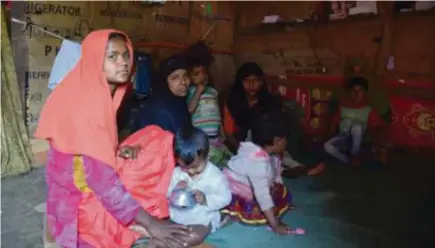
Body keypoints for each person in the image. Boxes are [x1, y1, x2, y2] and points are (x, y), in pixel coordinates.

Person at [35, 30, 191, 248]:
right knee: (147, 176)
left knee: (155, 137)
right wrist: (151, 222)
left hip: (88, 180)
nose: (123, 63)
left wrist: (114, 151)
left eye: (126, 55)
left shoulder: (95, 92)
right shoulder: (85, 108)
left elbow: (85, 152)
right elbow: (104, 185)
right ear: (94, 60)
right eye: (113, 57)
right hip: (77, 205)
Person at [224, 62, 325, 177]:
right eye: (247, 81)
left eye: (255, 80)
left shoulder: (269, 101)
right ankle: (288, 170)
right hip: (246, 143)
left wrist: (279, 141)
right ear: (241, 83)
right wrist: (241, 148)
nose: (251, 85)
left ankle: (297, 167)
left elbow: (278, 124)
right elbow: (228, 132)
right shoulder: (233, 103)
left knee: (279, 151)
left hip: (270, 142)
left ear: (261, 82)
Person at [158, 125, 232, 247]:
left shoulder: (215, 177)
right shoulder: (177, 173)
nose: (190, 172)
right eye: (184, 167)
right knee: (163, 226)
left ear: (207, 156)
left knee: (194, 236)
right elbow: (165, 193)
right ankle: (165, 240)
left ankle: (172, 242)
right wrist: (175, 188)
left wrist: (205, 199)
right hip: (177, 216)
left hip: (201, 219)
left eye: (195, 167)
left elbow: (225, 198)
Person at [221, 110, 293, 235]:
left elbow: (275, 175)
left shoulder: (266, 153)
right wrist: (275, 225)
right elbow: (262, 195)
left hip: (256, 182)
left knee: (279, 192)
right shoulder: (258, 163)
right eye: (285, 139)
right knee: (258, 207)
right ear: (277, 141)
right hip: (237, 188)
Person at [324, 76, 386, 166]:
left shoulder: (368, 110)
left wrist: (378, 147)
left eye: (359, 90)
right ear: (350, 93)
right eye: (353, 90)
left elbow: (377, 129)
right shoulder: (343, 107)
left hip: (359, 142)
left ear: (364, 93)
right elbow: (332, 126)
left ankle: (355, 155)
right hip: (344, 138)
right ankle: (348, 160)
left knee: (357, 127)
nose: (356, 93)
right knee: (327, 146)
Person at [186, 59, 232, 167]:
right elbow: (190, 109)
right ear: (190, 78)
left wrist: (221, 129)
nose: (202, 75)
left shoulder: (213, 92)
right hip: (201, 137)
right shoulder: (191, 91)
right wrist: (198, 91)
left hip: (214, 135)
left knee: (221, 159)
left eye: (204, 72)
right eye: (197, 74)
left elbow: (216, 111)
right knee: (205, 161)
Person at [132, 55, 191, 134]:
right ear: (164, 83)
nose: (183, 82)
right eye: (175, 78)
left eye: (185, 76)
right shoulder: (159, 110)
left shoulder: (178, 103)